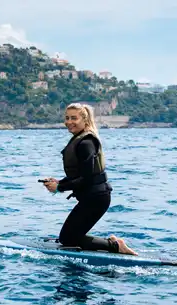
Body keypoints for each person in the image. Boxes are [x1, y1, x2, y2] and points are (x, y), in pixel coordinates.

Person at [41, 102, 138, 256]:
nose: (69, 122)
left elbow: (87, 178)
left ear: (84, 120)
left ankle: (115, 246)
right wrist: (60, 182)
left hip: (96, 198)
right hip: (91, 197)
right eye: (67, 118)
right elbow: (81, 174)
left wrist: (59, 188)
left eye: (74, 118)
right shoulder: (80, 140)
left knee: (68, 239)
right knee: (67, 238)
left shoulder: (86, 143)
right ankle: (112, 243)